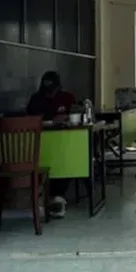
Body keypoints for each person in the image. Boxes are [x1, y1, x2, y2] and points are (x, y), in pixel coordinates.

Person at [26, 71, 77, 218]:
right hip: (39, 143)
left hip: (64, 140)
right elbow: (29, 118)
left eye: (53, 89)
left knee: (64, 159)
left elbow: (76, 112)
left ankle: (58, 197)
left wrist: (66, 117)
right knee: (49, 160)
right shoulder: (36, 99)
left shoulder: (67, 97)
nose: (50, 93)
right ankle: (50, 197)